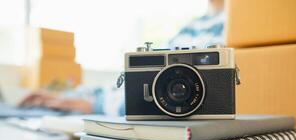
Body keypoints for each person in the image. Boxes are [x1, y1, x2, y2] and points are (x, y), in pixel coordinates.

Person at [19, 0, 225, 116]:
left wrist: (93, 104)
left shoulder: (241, 26)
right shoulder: (192, 26)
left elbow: (179, 99)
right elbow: (140, 82)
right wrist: (72, 94)